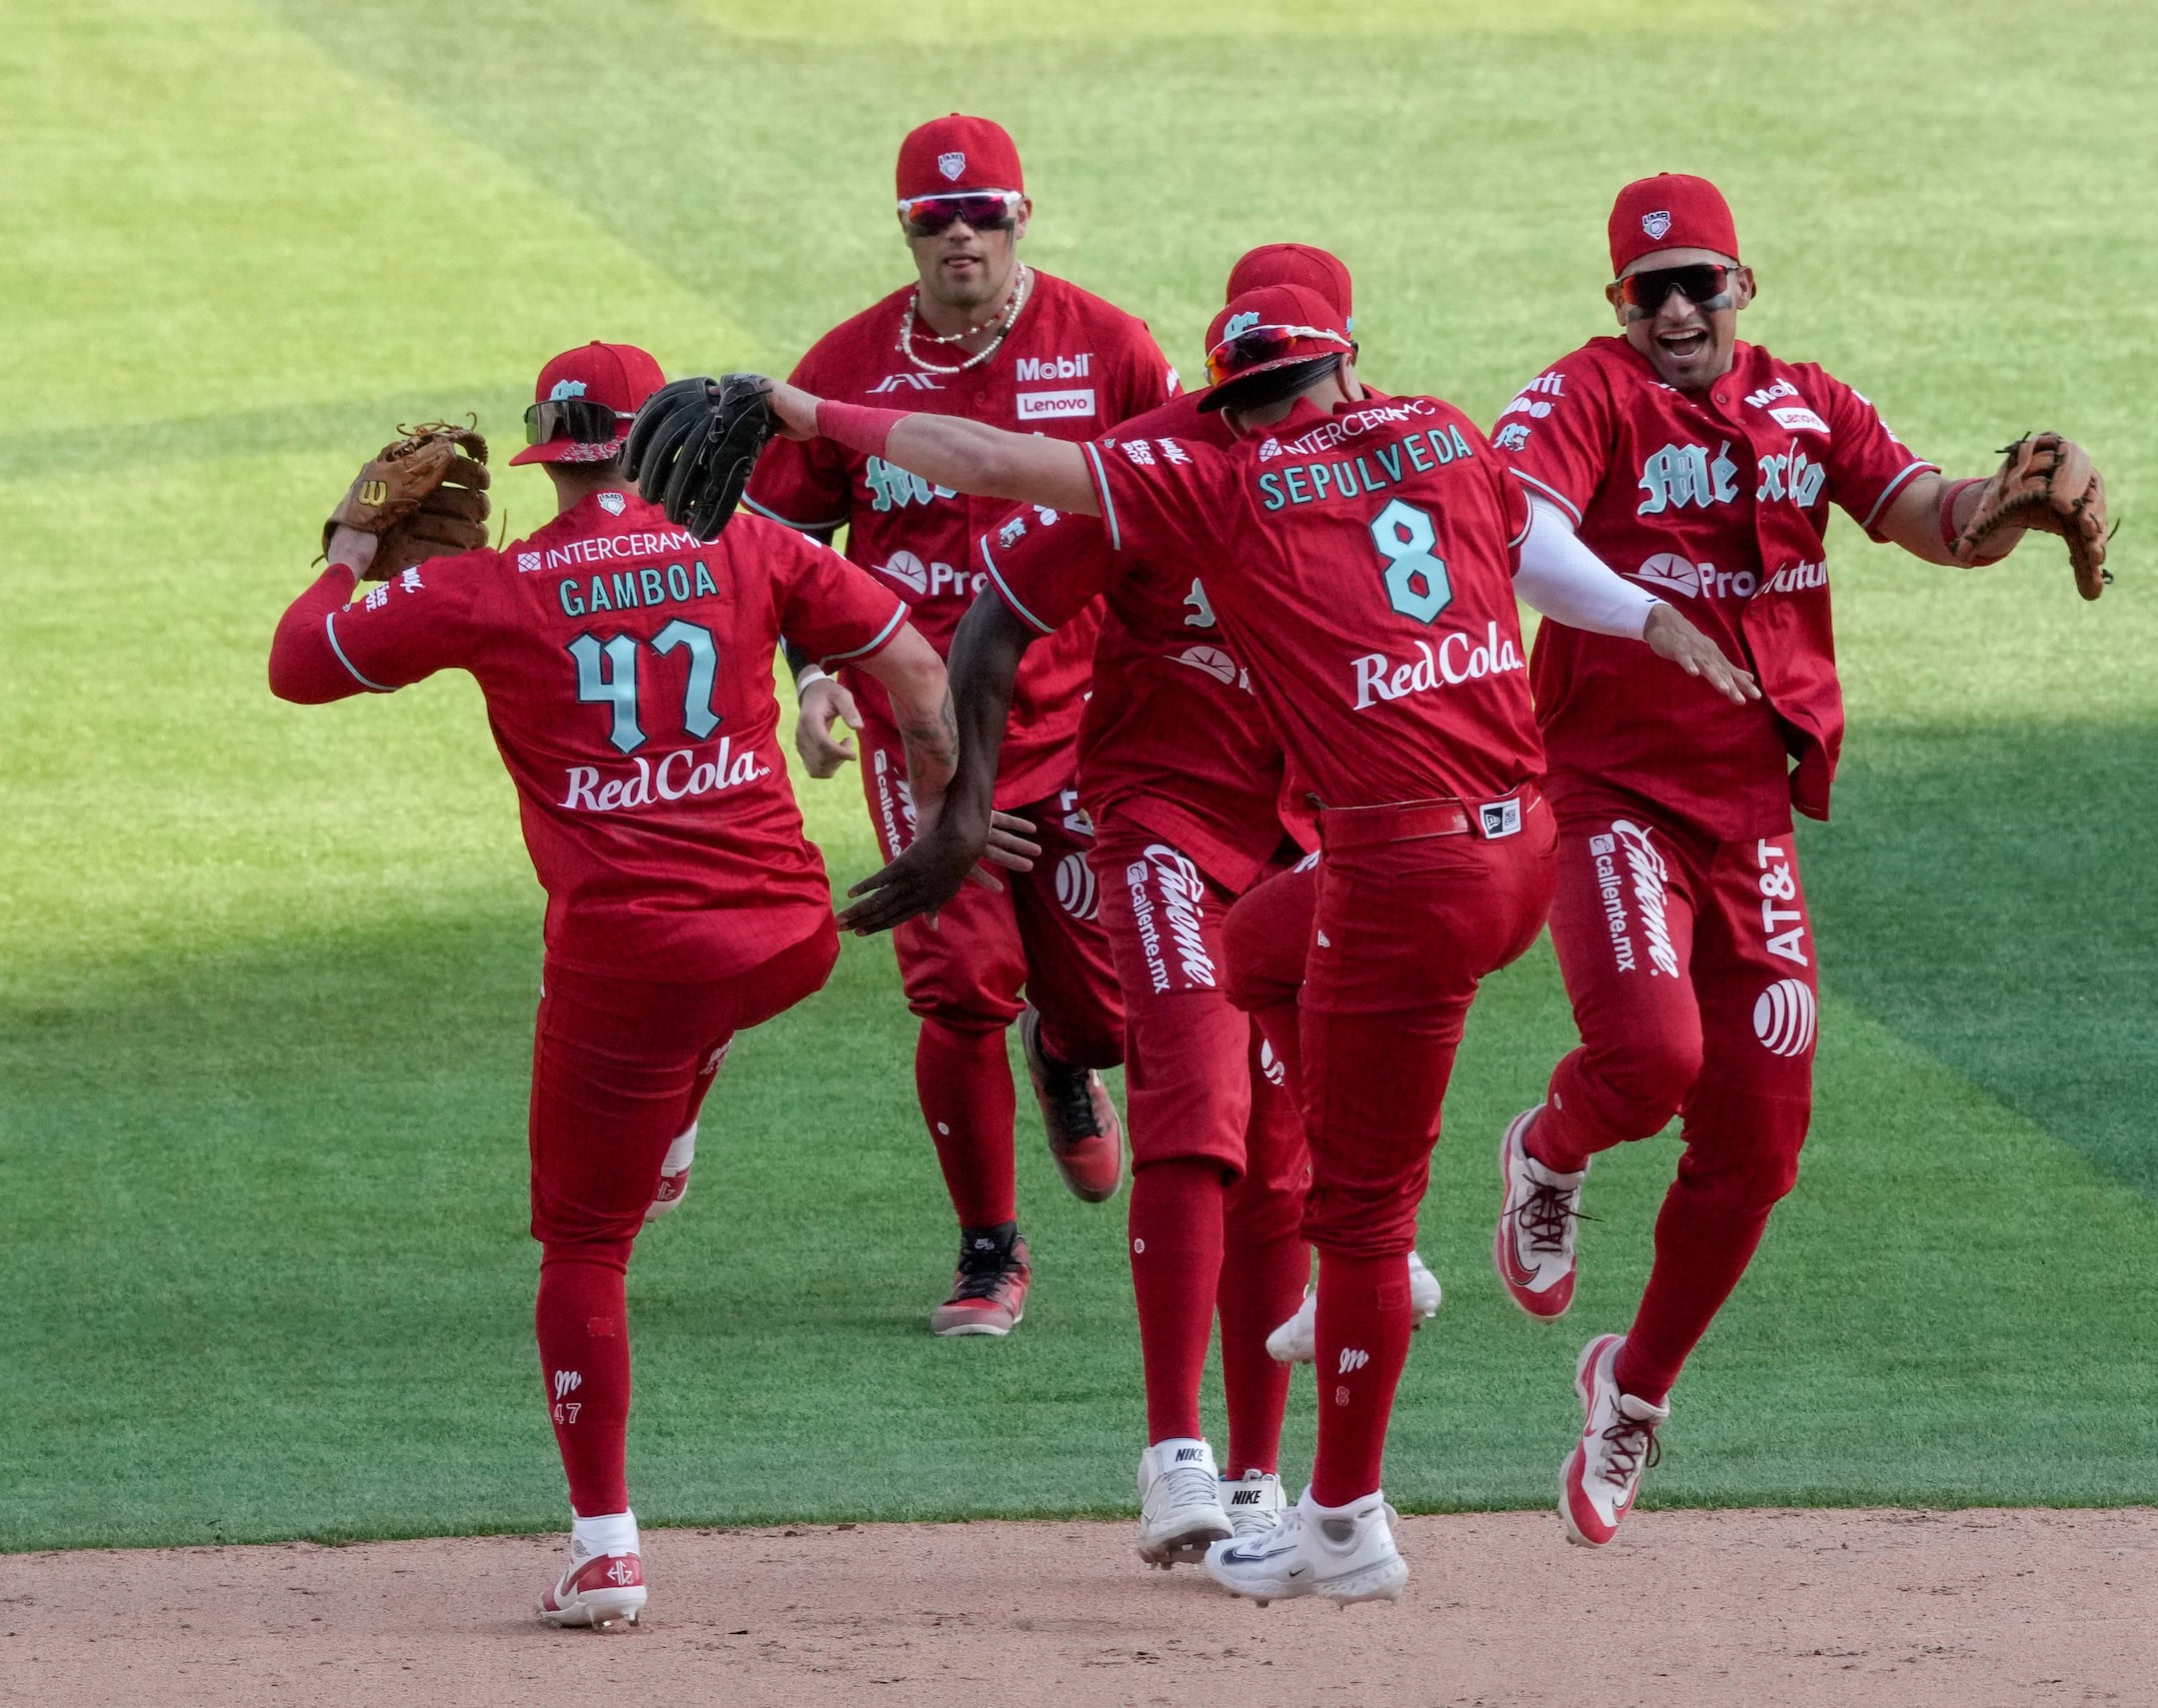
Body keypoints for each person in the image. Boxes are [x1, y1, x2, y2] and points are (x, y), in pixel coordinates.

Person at [634, 279, 1756, 1603]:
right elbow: (1537, 551)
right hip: (1519, 849)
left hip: (1402, 867)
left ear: (1226, 395)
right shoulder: (1447, 434)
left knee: (1354, 1213)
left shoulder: (1216, 479)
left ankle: (1343, 1518)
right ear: (1349, 363)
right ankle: (1341, 1279)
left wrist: (799, 407)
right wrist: (1643, 613)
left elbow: (990, 459)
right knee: (1247, 963)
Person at [267, 342, 993, 1630]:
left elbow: (299, 658)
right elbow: (920, 676)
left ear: (547, 453)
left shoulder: (490, 585)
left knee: (583, 1248)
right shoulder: (757, 545)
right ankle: (679, 1108)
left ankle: (604, 1548)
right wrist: (944, 829)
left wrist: (350, 543)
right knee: (709, 999)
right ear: (661, 436)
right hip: (790, 939)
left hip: (631, 965)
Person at [1483, 173, 2110, 1549]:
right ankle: (1549, 1147)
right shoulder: (1580, 395)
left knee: (1759, 1147)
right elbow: (1516, 538)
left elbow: (1926, 514)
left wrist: (2016, 502)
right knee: (1648, 1063)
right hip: (1610, 794)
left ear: (1742, 287)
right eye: (1651, 288)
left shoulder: (1806, 402)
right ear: (1617, 305)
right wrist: (1649, 621)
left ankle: (1631, 1386)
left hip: (1747, 812)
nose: (1678, 308)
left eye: (1700, 280)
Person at [934, 245, 1447, 1571]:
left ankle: (1266, 1481)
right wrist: (963, 804)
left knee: (1282, 1157)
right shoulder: (1164, 461)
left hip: (1310, 839)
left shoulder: (1402, 464)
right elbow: (995, 615)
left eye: (1299, 379)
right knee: (1194, 1102)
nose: (1272, 412)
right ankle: (1175, 1451)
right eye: (1247, 386)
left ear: (1352, 358)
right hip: (1164, 818)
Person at [741, 114, 1181, 1337]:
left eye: (981, 212)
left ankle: (1065, 1055)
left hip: (1084, 718)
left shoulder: (1109, 348)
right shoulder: (845, 367)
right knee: (958, 986)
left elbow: (1181, 505)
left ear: (1021, 216)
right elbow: (775, 541)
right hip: (921, 725)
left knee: (1103, 1008)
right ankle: (990, 1252)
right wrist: (818, 668)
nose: (959, 238)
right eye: (932, 219)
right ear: (904, 230)